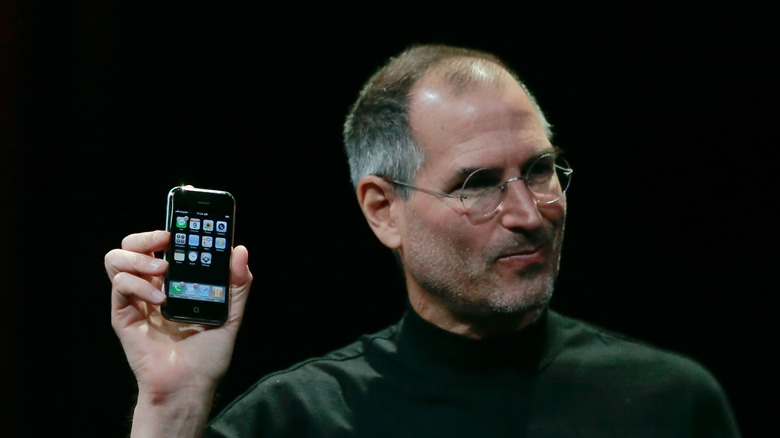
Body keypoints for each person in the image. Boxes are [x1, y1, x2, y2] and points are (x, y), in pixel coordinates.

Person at [105, 44, 741, 437]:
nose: (528, 212)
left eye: (541, 170)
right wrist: (175, 403)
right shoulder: (296, 421)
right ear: (385, 211)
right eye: (477, 183)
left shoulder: (671, 404)